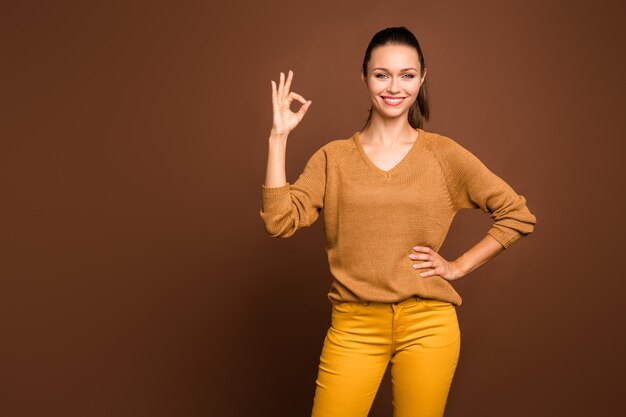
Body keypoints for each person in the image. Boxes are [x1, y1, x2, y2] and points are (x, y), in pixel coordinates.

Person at [259, 26, 537, 417]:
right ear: (364, 77)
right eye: (381, 74)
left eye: (407, 75)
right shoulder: (333, 158)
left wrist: (457, 267)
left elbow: (517, 214)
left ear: (422, 78)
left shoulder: (442, 154)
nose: (395, 87)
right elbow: (279, 220)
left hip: (429, 324)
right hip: (354, 325)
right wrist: (278, 137)